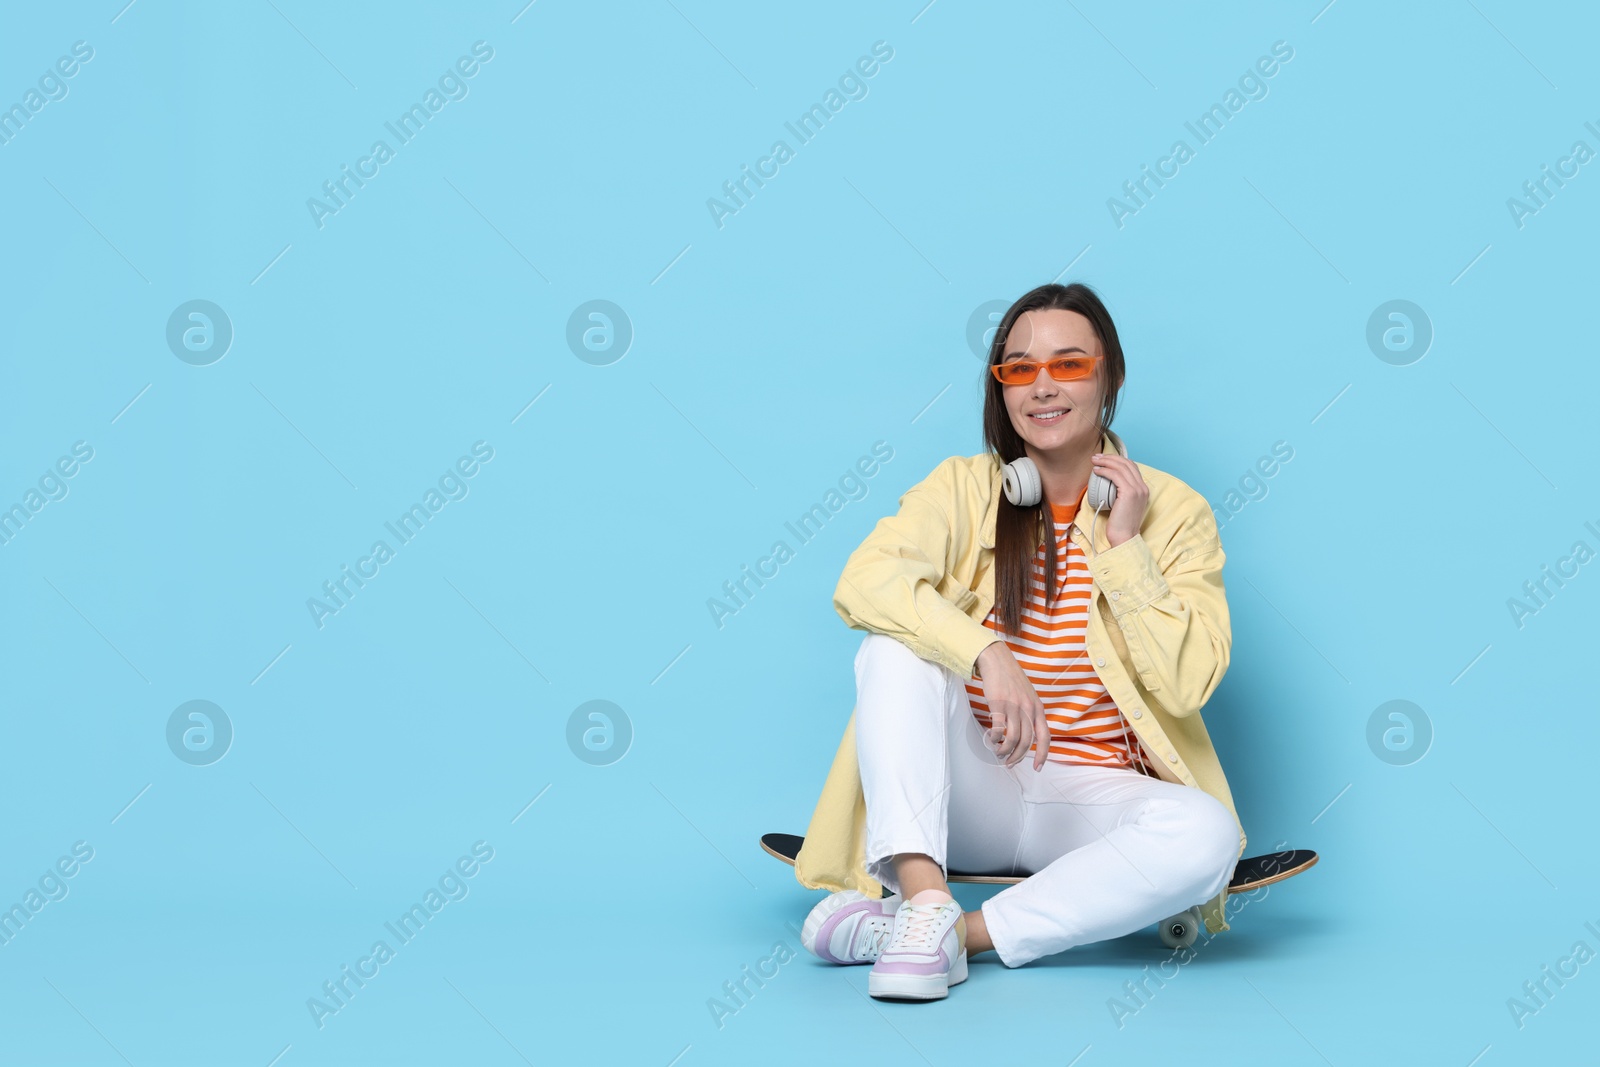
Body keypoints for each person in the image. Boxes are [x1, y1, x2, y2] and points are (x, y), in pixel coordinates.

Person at [794, 282, 1246, 1001]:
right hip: (973, 788)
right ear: (1000, 387)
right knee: (893, 645)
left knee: (1209, 834)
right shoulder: (963, 488)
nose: (1042, 386)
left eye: (1068, 364)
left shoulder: (1176, 512)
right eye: (1018, 368)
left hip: (1087, 798)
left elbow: (1189, 684)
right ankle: (924, 888)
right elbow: (864, 580)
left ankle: (939, 930)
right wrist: (984, 650)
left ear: (1110, 376)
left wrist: (1126, 547)